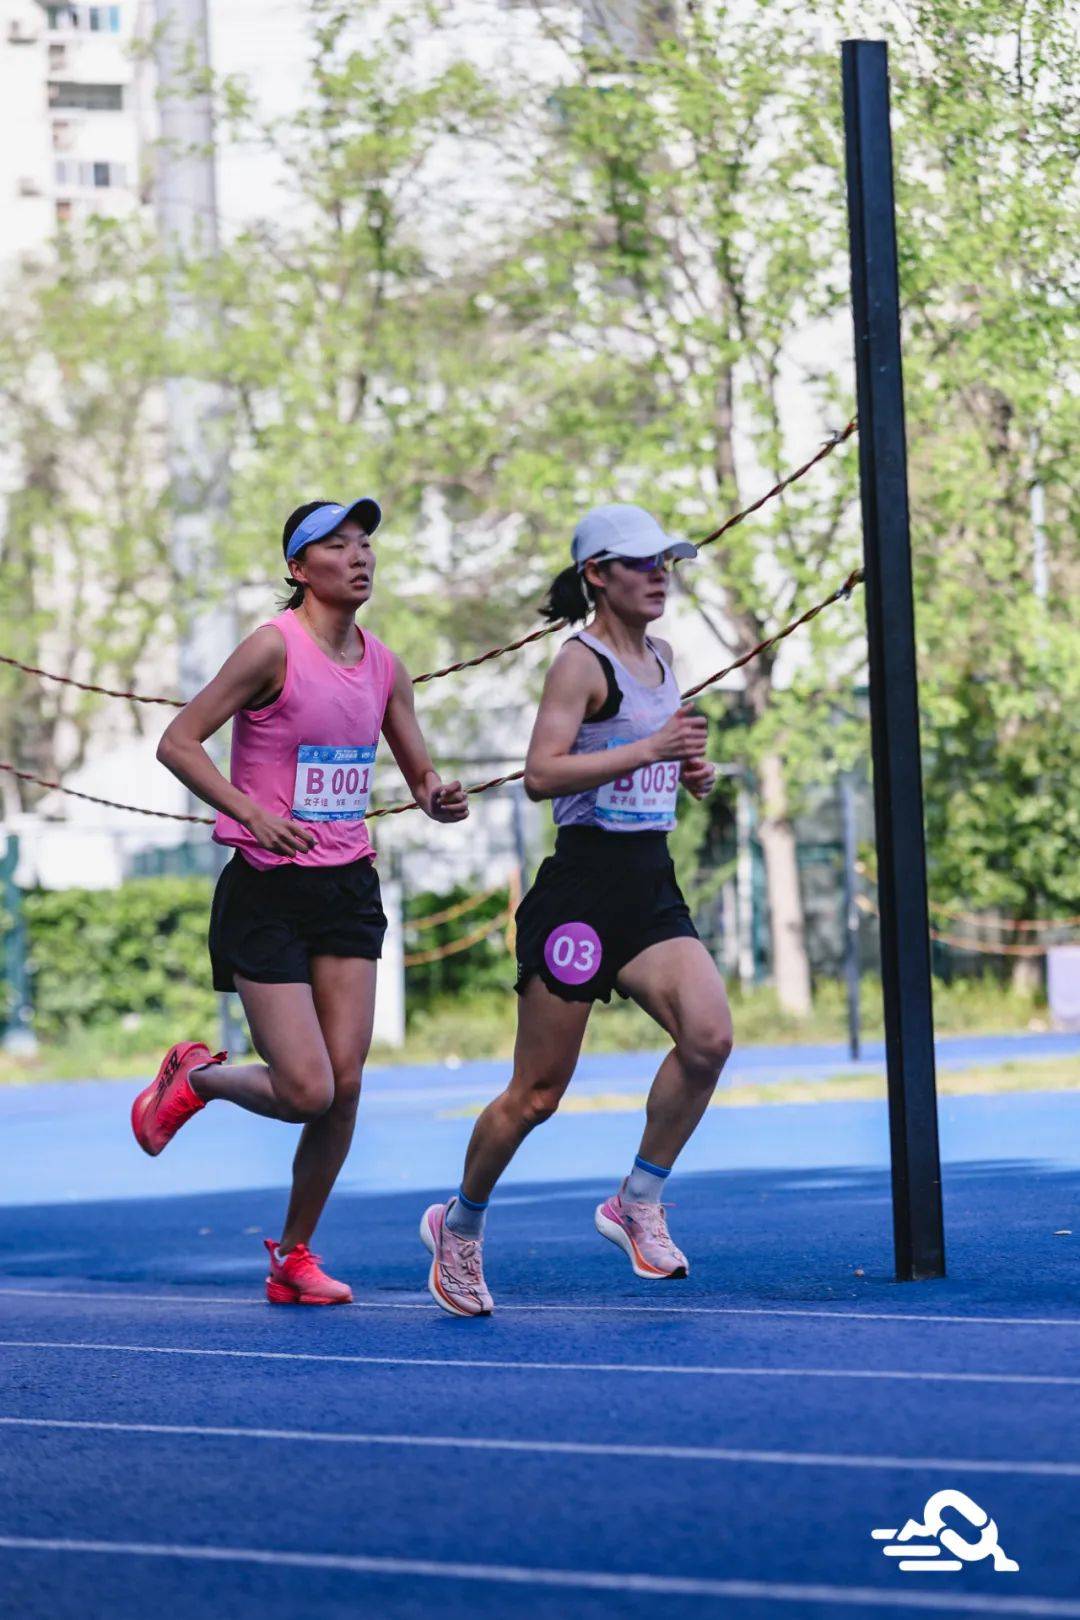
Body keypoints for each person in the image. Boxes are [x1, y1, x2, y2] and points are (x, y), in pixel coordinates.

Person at [132, 497, 468, 1305]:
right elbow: (178, 741)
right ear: (297, 566)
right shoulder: (270, 649)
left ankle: (294, 1256)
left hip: (347, 886)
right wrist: (248, 812)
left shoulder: (385, 663)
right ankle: (196, 1077)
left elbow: (418, 773)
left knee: (344, 1085)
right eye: (337, 544)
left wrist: (438, 794)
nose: (359, 556)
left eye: (366, 544)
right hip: (267, 890)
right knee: (307, 1088)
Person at [421, 503, 733, 1317]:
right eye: (641, 562)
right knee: (537, 1094)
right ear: (599, 574)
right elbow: (541, 774)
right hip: (581, 898)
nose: (660, 573)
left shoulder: (663, 656)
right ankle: (459, 1225)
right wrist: (650, 751)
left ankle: (637, 1198)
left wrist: (689, 774)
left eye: (666, 559)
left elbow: (653, 764)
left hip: (649, 884)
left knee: (709, 1040)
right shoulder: (579, 663)